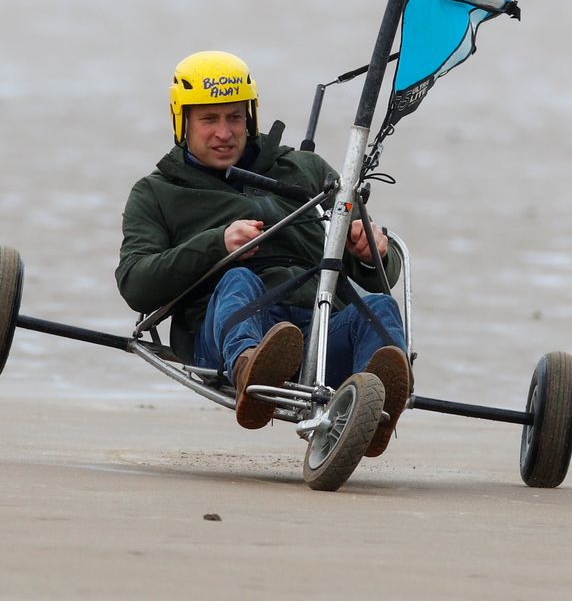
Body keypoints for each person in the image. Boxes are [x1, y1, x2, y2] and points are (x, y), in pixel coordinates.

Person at [115, 50, 410, 454]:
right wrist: (217, 244)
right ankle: (252, 372)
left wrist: (371, 248)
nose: (224, 133)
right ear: (181, 121)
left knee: (379, 307)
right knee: (239, 280)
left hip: (319, 330)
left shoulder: (306, 170)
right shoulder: (156, 193)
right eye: (209, 120)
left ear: (250, 117)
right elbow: (135, 284)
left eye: (235, 117)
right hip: (225, 331)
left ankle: (375, 413)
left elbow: (382, 274)